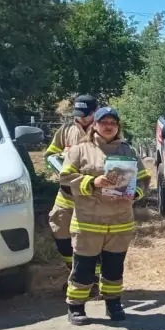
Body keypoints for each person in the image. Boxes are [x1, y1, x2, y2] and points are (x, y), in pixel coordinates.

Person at [58, 107, 150, 325]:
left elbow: (144, 178)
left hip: (119, 222)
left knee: (114, 266)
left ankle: (113, 303)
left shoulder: (128, 151)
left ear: (118, 127)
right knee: (83, 267)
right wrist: (92, 182)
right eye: (104, 122)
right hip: (89, 221)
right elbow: (65, 179)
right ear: (95, 126)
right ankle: (76, 306)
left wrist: (134, 193)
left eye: (113, 123)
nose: (109, 126)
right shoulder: (80, 151)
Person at [44, 94, 100, 288]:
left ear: (94, 112)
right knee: (59, 230)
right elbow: (49, 154)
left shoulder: (104, 129)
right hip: (66, 194)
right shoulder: (66, 130)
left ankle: (95, 279)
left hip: (93, 195)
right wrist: (57, 161)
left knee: (93, 239)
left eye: (85, 115)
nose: (80, 118)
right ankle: (75, 273)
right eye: (78, 114)